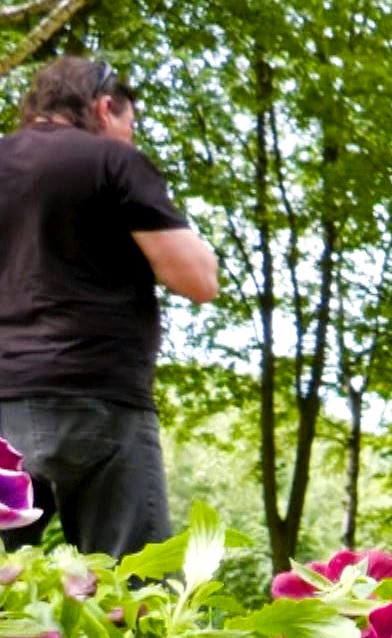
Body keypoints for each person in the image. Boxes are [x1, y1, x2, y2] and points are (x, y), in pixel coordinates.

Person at [0, 56, 218, 557]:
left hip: (3, 410)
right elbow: (199, 280)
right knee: (133, 592)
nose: (129, 138)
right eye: (129, 126)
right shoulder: (112, 162)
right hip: (100, 404)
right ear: (104, 108)